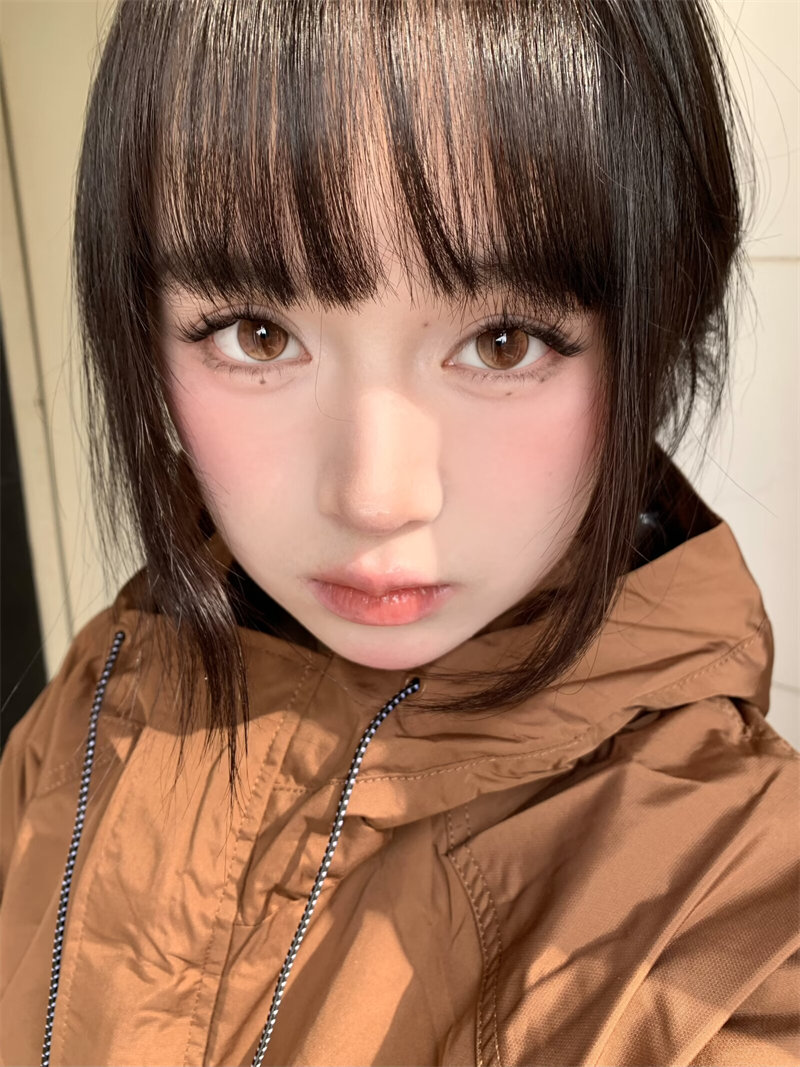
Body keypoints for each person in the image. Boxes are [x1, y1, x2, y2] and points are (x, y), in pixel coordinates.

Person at [1, 0, 798, 1064]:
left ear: (651, 330)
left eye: (503, 341)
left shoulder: (729, 920)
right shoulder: (100, 695)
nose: (376, 497)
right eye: (258, 333)